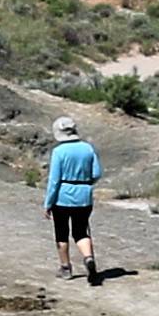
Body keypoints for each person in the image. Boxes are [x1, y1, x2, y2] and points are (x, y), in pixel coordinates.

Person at [44, 113, 104, 285]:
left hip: (62, 197)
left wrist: (48, 203)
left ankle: (66, 268)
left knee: (61, 233)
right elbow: (96, 173)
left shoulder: (58, 152)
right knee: (81, 231)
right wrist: (85, 183)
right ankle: (88, 258)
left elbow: (54, 180)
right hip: (84, 197)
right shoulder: (88, 148)